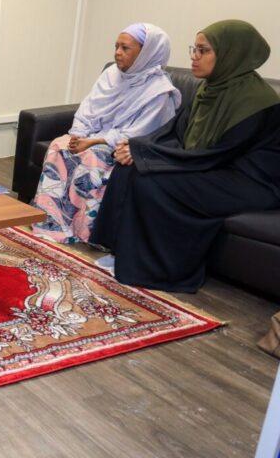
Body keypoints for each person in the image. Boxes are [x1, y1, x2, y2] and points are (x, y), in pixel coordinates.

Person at [91, 19, 280, 292]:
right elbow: (176, 132)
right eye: (195, 49)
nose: (194, 56)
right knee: (128, 167)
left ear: (231, 54)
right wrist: (137, 147)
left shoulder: (257, 102)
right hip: (215, 166)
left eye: (204, 50)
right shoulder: (211, 88)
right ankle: (120, 250)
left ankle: (158, 271)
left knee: (151, 181)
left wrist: (148, 156)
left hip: (250, 182)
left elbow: (217, 153)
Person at [31, 23, 181, 243]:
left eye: (125, 48)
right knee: (59, 146)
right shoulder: (111, 74)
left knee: (94, 157)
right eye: (116, 46)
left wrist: (93, 142)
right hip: (94, 136)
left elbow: (139, 133)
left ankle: (82, 230)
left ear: (146, 53)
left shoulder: (159, 91)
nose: (117, 53)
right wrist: (79, 134)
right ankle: (49, 219)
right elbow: (88, 107)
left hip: (124, 146)